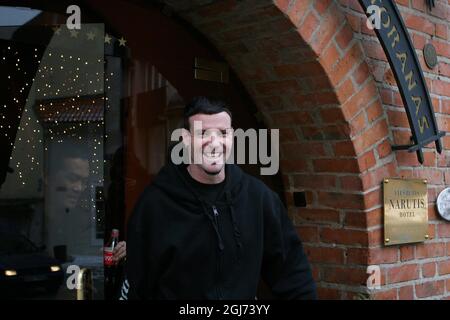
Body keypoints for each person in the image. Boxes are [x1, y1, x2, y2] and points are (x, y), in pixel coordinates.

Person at [124, 96, 317, 299]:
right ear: (186, 138)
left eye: (222, 133)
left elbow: (294, 277)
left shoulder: (259, 199)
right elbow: (136, 286)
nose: (214, 143)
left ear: (232, 136)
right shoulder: (155, 205)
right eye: (203, 133)